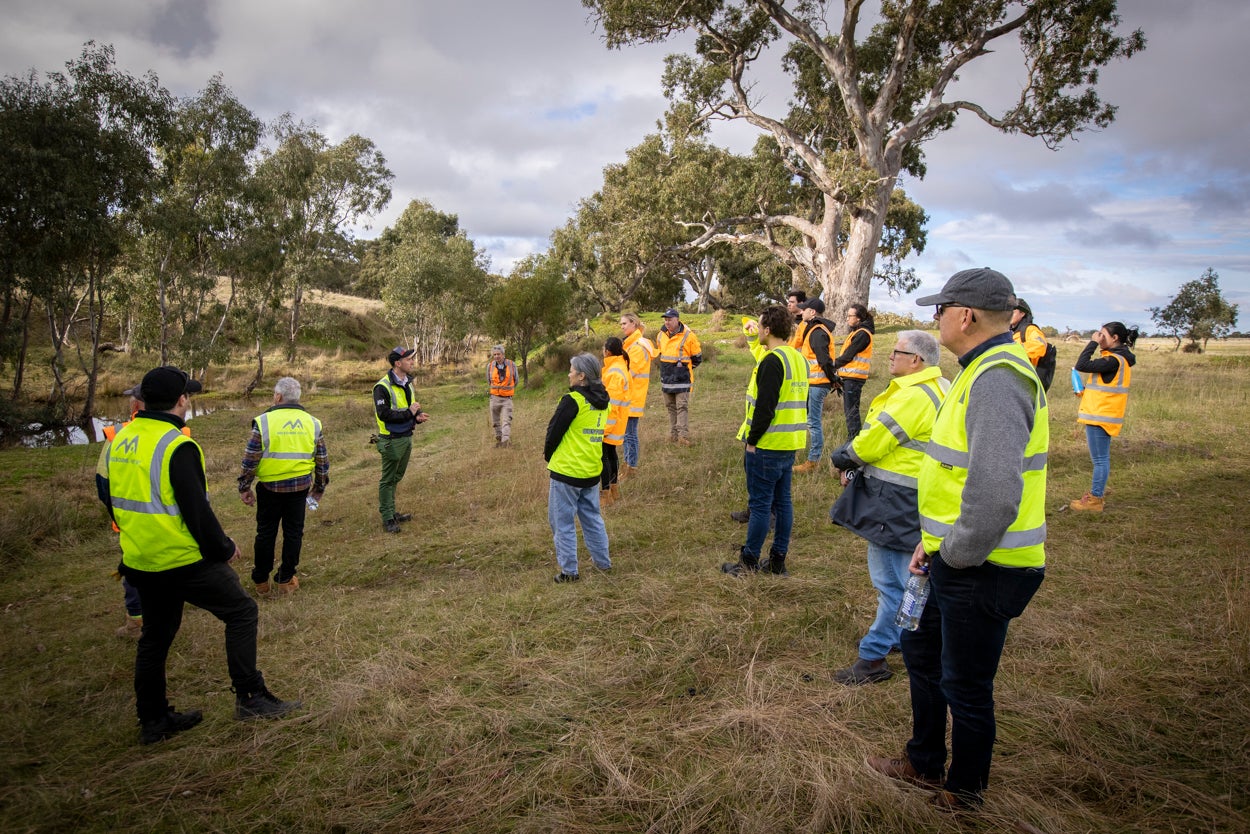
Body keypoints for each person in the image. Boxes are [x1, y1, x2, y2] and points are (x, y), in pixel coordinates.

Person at [868, 268, 1048, 812]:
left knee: (966, 685)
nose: (935, 319)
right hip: (948, 554)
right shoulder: (975, 372)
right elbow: (956, 475)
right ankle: (923, 762)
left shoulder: (997, 377)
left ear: (965, 315)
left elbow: (994, 493)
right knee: (922, 655)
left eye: (940, 309)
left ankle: (964, 793)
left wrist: (957, 555)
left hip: (983, 564)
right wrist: (933, 544)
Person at [99, 366, 300, 745]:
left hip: (141, 560)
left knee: (155, 638)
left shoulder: (120, 440)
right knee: (242, 612)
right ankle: (251, 696)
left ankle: (154, 720)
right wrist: (223, 549)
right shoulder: (176, 445)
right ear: (180, 401)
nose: (188, 400)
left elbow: (109, 496)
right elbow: (197, 512)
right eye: (187, 395)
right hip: (182, 559)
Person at [829, 331, 948, 685]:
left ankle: (874, 655)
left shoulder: (915, 396)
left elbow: (876, 440)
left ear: (917, 360)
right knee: (903, 579)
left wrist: (843, 457)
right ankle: (902, 638)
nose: (890, 357)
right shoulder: (939, 388)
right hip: (912, 498)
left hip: (895, 501)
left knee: (893, 583)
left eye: (896, 352)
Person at [98, 384, 191, 638]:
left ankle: (137, 621)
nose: (130, 404)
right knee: (164, 567)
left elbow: (103, 484)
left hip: (131, 522)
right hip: (168, 521)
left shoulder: (117, 435)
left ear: (139, 404)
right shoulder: (177, 433)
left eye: (132, 400)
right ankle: (149, 618)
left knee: (136, 571)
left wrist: (120, 515)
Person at [721, 305, 808, 577]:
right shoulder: (798, 359)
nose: (757, 330)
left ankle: (747, 563)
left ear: (768, 330)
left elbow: (765, 408)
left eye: (759, 326)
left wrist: (752, 440)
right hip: (789, 443)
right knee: (783, 504)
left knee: (760, 506)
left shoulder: (772, 361)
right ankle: (777, 561)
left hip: (767, 445)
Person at [237, 377, 329, 596]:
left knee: (265, 533)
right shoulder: (313, 423)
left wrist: (244, 486)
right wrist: (319, 487)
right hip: (299, 489)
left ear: (277, 397)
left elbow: (251, 458)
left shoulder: (264, 421)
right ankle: (285, 579)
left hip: (269, 488)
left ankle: (261, 581)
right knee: (294, 533)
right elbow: (322, 459)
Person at [544, 353, 612, 582]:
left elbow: (553, 432)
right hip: (592, 471)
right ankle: (603, 562)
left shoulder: (572, 400)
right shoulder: (605, 401)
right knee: (592, 518)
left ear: (582, 376)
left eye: (572, 370)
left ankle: (569, 572)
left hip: (566, 473)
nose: (569, 373)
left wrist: (548, 455)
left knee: (562, 523)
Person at [1070, 321, 1138, 512]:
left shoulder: (1114, 360)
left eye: (1102, 334)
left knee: (1100, 460)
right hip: (1101, 413)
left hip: (1100, 416)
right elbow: (1105, 387)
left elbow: (1082, 364)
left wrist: (1091, 343)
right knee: (1101, 459)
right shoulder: (1115, 359)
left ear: (1114, 338)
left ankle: (1095, 500)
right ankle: (1095, 497)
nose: (1099, 338)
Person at [373, 346, 431, 534]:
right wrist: (410, 413)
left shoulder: (408, 382)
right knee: (388, 479)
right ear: (398, 363)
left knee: (396, 478)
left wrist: (417, 417)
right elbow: (384, 415)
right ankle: (388, 518)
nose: (412, 362)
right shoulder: (382, 387)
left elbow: (408, 409)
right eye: (409, 359)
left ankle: (392, 512)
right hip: (390, 440)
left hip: (406, 437)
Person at [792, 298, 838, 474]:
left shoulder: (817, 332)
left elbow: (824, 359)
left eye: (804, 309)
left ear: (812, 312)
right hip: (813, 383)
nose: (801, 312)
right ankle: (810, 458)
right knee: (810, 421)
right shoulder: (813, 329)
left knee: (813, 422)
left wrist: (832, 378)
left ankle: (813, 461)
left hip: (817, 384)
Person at [655, 308, 703, 445]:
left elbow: (697, 358)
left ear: (677, 319)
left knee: (682, 407)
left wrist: (682, 370)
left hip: (682, 381)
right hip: (666, 380)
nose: (667, 322)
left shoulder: (689, 336)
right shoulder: (660, 335)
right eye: (665, 319)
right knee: (670, 407)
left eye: (670, 319)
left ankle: (683, 437)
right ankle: (673, 435)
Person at [618, 313, 654, 478]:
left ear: (634, 323)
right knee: (627, 433)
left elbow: (629, 373)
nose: (622, 326)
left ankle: (631, 467)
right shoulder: (631, 345)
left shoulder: (638, 347)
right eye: (621, 324)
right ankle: (627, 466)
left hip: (633, 397)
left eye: (625, 323)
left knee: (629, 433)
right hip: (629, 396)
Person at [832, 303, 875, 440]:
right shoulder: (857, 332)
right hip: (850, 377)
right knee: (850, 410)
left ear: (859, 318)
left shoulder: (863, 334)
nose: (847, 319)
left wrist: (831, 365)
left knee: (851, 411)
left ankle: (854, 440)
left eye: (850, 316)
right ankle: (853, 439)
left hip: (854, 378)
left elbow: (848, 355)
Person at [600, 337, 631, 507]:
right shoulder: (618, 366)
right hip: (618, 421)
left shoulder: (614, 371)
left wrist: (604, 428)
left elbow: (611, 403)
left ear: (608, 351)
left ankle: (605, 494)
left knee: (603, 456)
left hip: (610, 422)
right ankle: (614, 489)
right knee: (611, 454)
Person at [487, 344, 518, 448]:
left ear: (503, 354)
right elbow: (489, 381)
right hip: (494, 398)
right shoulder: (490, 366)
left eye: (498, 354)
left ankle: (505, 442)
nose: (496, 356)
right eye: (494, 354)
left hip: (507, 399)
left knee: (506, 421)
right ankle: (499, 439)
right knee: (495, 421)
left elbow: (516, 380)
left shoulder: (512, 365)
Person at [1010, 299, 1049, 368]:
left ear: (1022, 313)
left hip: (1026, 375)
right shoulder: (1008, 332)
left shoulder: (1031, 329)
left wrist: (1013, 350)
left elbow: (1040, 345)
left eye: (1012, 312)